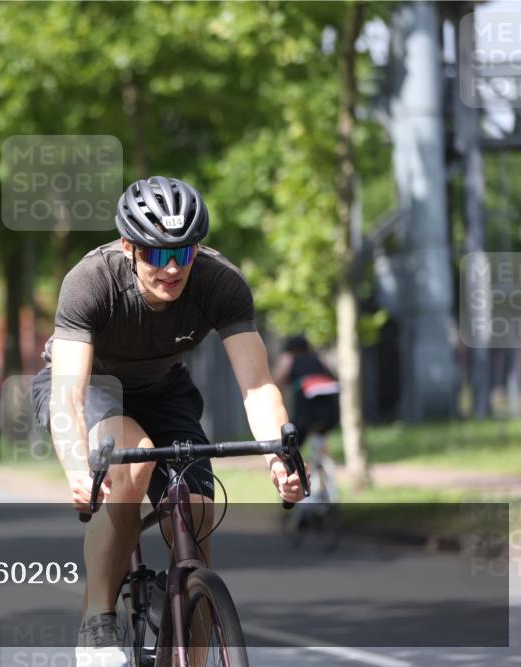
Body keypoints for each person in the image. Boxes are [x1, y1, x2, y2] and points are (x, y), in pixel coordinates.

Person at [30, 176, 304, 665]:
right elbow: (68, 396)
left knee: (196, 511)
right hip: (93, 387)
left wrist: (277, 460)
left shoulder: (219, 282)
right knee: (132, 462)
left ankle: (190, 633)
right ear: (128, 246)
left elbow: (258, 386)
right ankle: (97, 623)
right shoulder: (91, 281)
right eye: (157, 254)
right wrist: (76, 467)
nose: (173, 267)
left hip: (162, 389)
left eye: (184, 252)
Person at [272, 334, 340, 450]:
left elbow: (277, 382)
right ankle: (322, 457)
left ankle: (295, 459)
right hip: (328, 408)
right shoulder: (319, 358)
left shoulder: (288, 358)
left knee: (294, 442)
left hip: (305, 410)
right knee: (321, 432)